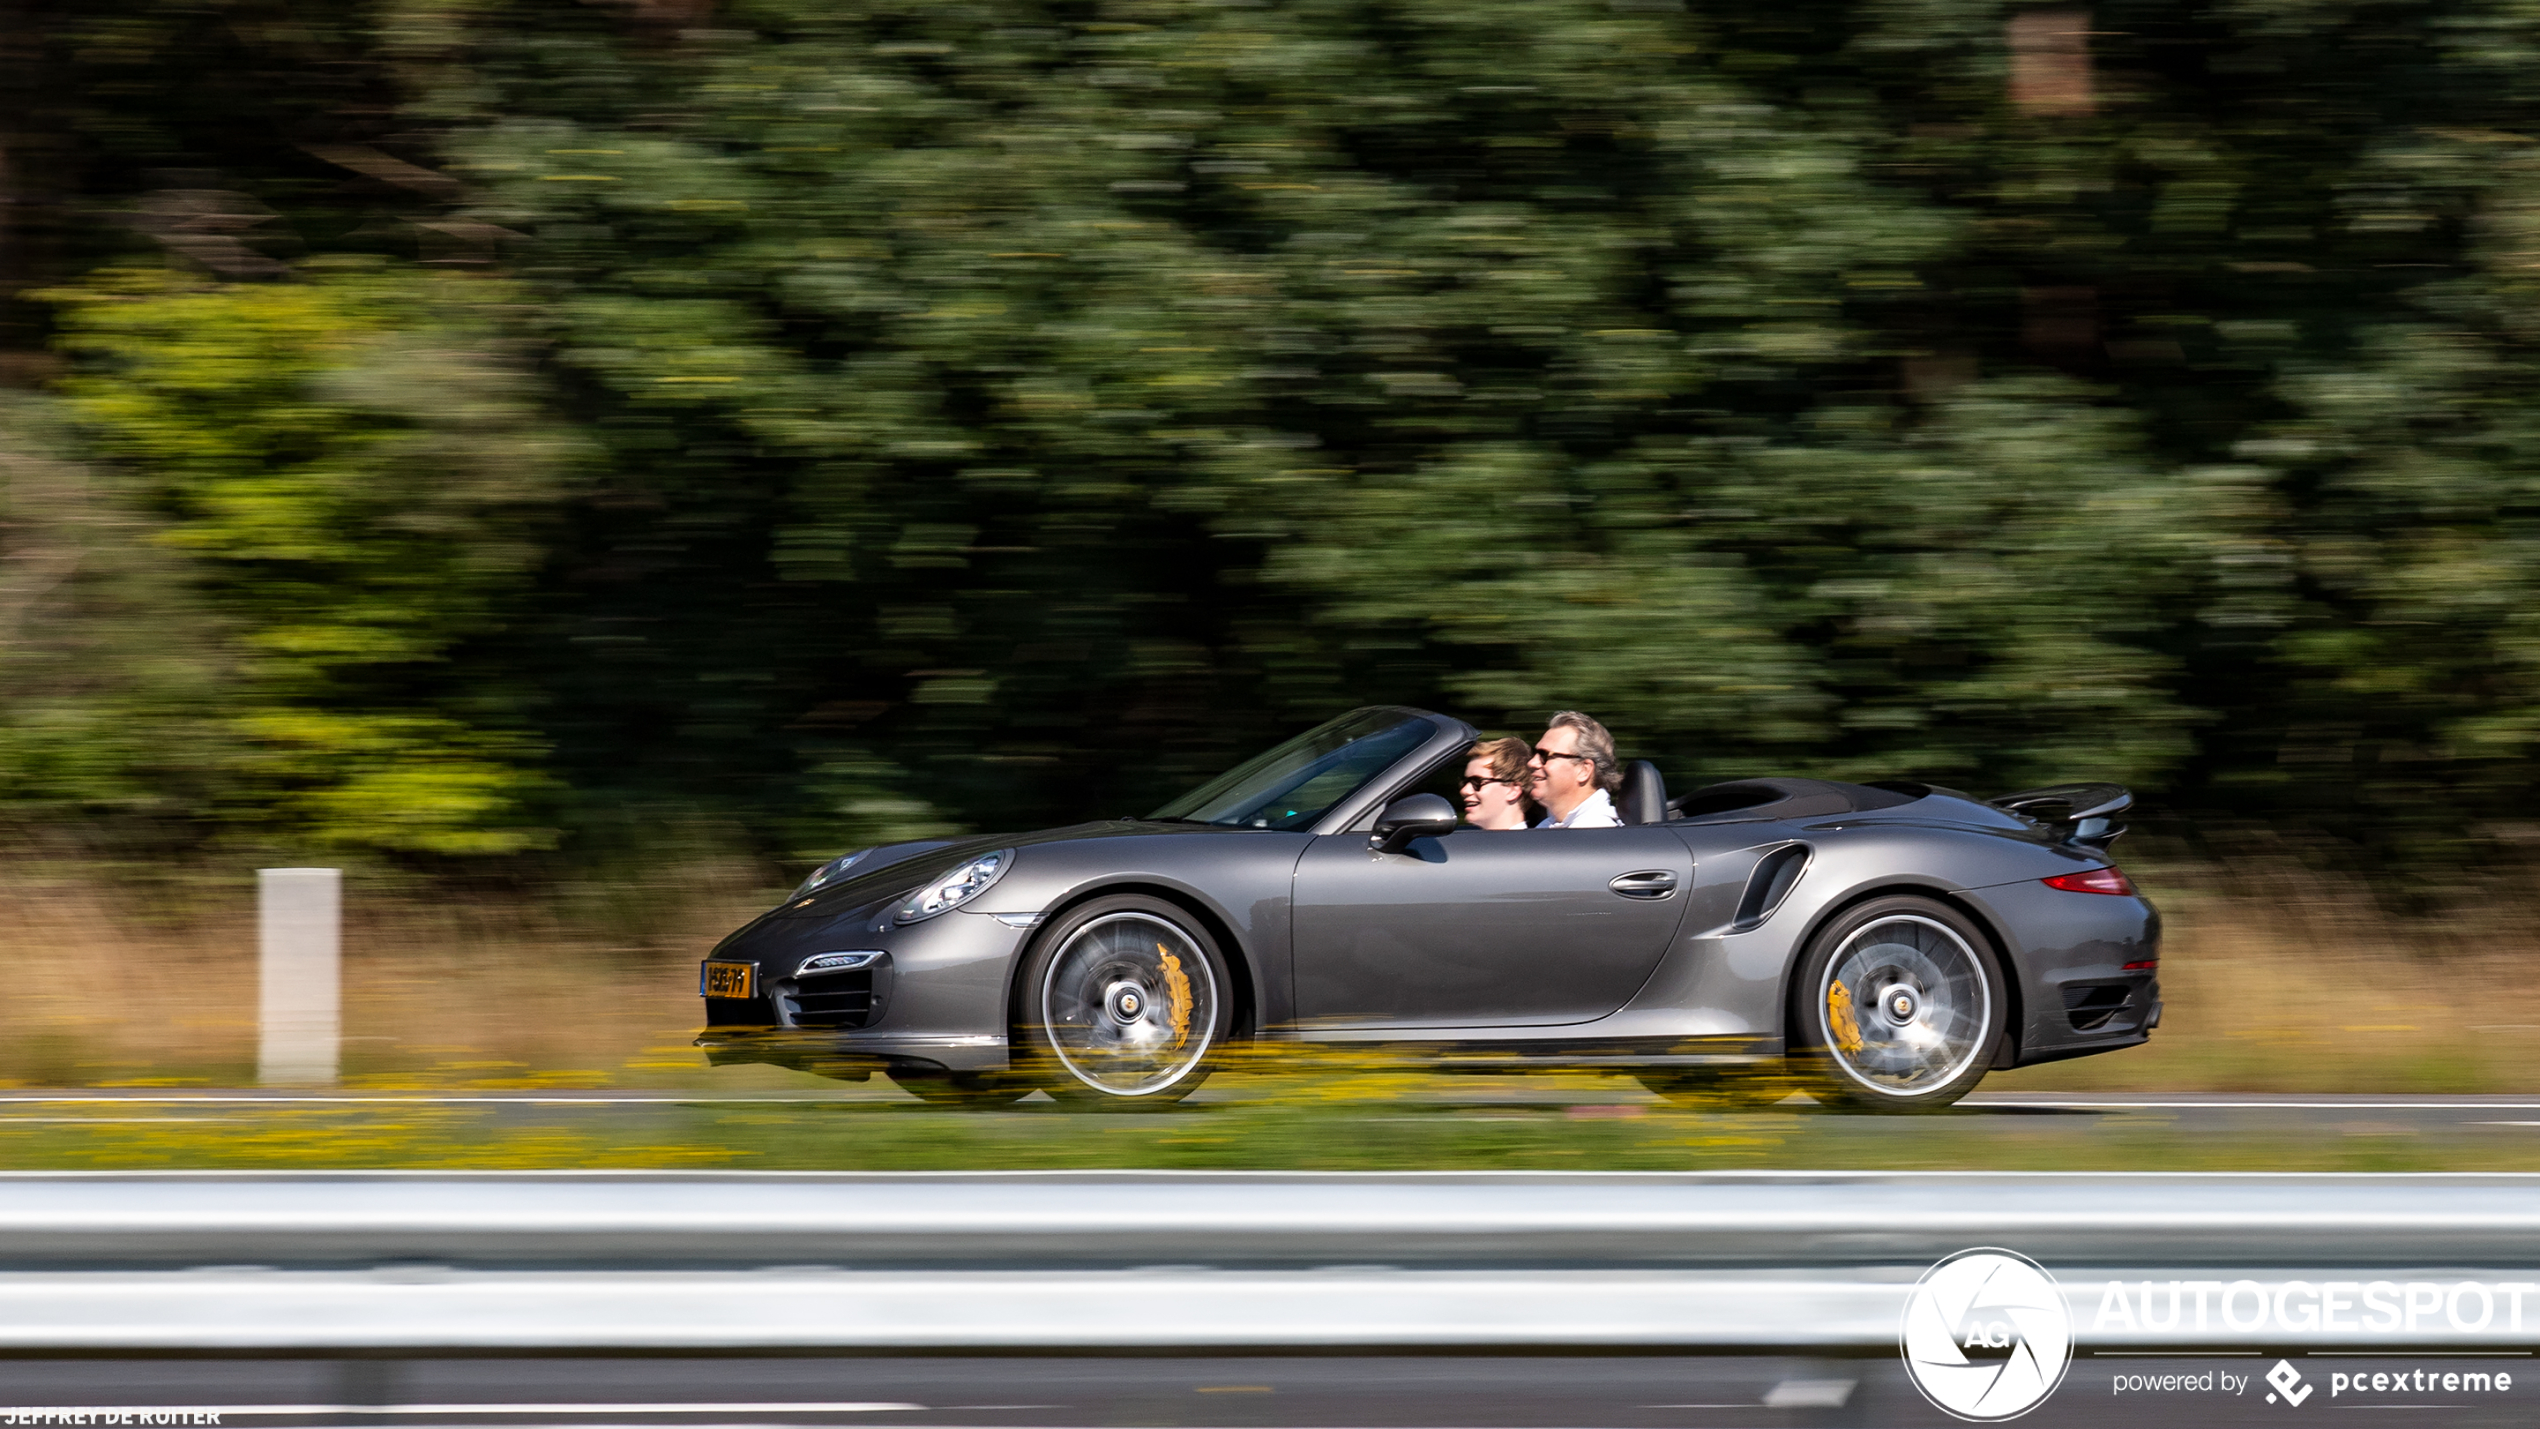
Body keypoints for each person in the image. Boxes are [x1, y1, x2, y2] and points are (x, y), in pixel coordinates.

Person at [1527, 710, 1624, 829]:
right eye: (1534, 753)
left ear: (1584, 770)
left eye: (1544, 755)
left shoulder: (1597, 836)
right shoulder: (1549, 827)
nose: (1531, 763)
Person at [1457, 736, 1535, 830]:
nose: (1464, 790)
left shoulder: (1527, 844)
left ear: (1512, 790)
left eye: (1477, 782)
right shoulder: (1469, 842)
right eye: (1465, 782)